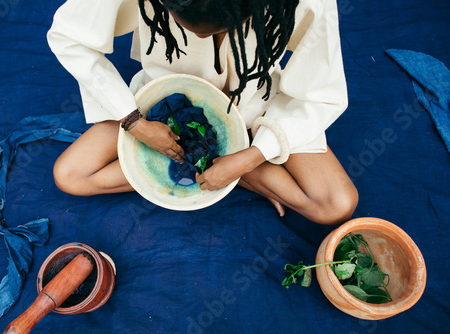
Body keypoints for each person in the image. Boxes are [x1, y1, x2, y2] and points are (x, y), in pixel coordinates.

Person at [47, 0, 358, 224]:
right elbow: (68, 37)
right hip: (164, 107)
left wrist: (251, 156)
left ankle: (232, 168)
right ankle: (225, 168)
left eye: (218, 28)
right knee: (70, 175)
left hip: (257, 108)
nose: (199, 37)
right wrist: (133, 121)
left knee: (336, 205)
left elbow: (320, 92)